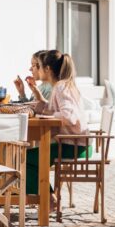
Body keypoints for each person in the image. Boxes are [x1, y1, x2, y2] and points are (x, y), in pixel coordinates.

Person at [26, 50, 89, 203]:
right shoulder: (61, 86)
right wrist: (42, 107)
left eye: (39, 66)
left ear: (47, 69)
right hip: (72, 143)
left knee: (26, 158)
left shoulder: (61, 87)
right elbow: (55, 109)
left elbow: (69, 116)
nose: (37, 70)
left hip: (73, 145)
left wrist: (47, 116)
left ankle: (49, 200)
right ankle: (48, 198)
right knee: (29, 157)